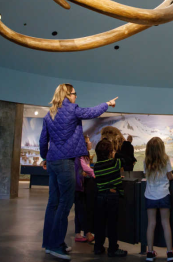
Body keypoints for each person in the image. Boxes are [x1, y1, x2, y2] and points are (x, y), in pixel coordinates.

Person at [39, 83, 117, 260]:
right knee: (65, 205)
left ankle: (50, 243)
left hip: (52, 162)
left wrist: (46, 157)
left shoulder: (49, 114)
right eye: (74, 94)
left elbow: (43, 141)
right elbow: (91, 112)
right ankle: (55, 245)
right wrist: (107, 103)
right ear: (67, 95)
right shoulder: (72, 109)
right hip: (66, 162)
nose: (76, 97)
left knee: (53, 204)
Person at [92, 138, 127, 257]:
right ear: (110, 152)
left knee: (100, 224)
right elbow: (126, 160)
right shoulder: (115, 163)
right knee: (112, 225)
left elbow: (104, 178)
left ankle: (98, 247)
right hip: (112, 197)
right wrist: (117, 152)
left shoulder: (96, 167)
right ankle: (112, 249)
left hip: (100, 197)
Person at [144, 137, 173, 262]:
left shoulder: (146, 161)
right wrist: (171, 176)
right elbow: (170, 176)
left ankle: (150, 253)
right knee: (165, 223)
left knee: (151, 224)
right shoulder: (166, 160)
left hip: (150, 196)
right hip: (163, 194)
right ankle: (169, 253)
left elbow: (146, 175)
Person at [74, 135, 95, 243]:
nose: (90, 143)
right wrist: (93, 173)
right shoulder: (79, 156)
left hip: (80, 185)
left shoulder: (84, 155)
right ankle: (87, 233)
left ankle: (78, 233)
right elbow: (85, 167)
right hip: (77, 186)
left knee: (79, 210)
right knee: (81, 210)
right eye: (88, 141)